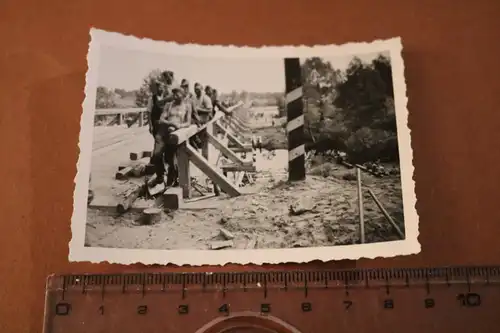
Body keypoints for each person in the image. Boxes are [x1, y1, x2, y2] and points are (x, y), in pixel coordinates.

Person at [150, 86, 192, 187]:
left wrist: (179, 126)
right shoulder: (168, 105)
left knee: (170, 158)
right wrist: (171, 124)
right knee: (156, 155)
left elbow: (188, 122)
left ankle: (171, 180)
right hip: (163, 131)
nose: (174, 96)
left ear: (182, 95)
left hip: (175, 134)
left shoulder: (187, 106)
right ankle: (160, 176)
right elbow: (161, 119)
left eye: (177, 94)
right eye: (173, 94)